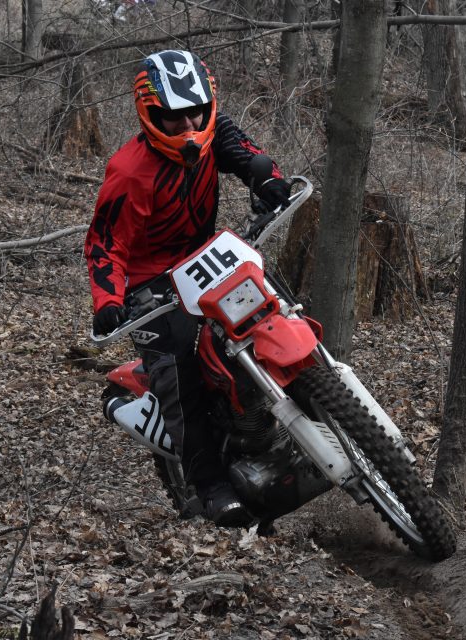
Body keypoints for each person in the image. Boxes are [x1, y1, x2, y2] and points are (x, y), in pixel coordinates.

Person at [84, 50, 291, 527]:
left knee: (274, 313)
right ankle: (213, 488)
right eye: (174, 118)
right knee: (182, 378)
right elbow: (105, 242)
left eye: (195, 111)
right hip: (150, 285)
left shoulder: (213, 130)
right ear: (151, 114)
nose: (188, 124)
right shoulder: (130, 169)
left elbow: (244, 154)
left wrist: (269, 180)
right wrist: (109, 301)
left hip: (207, 258)